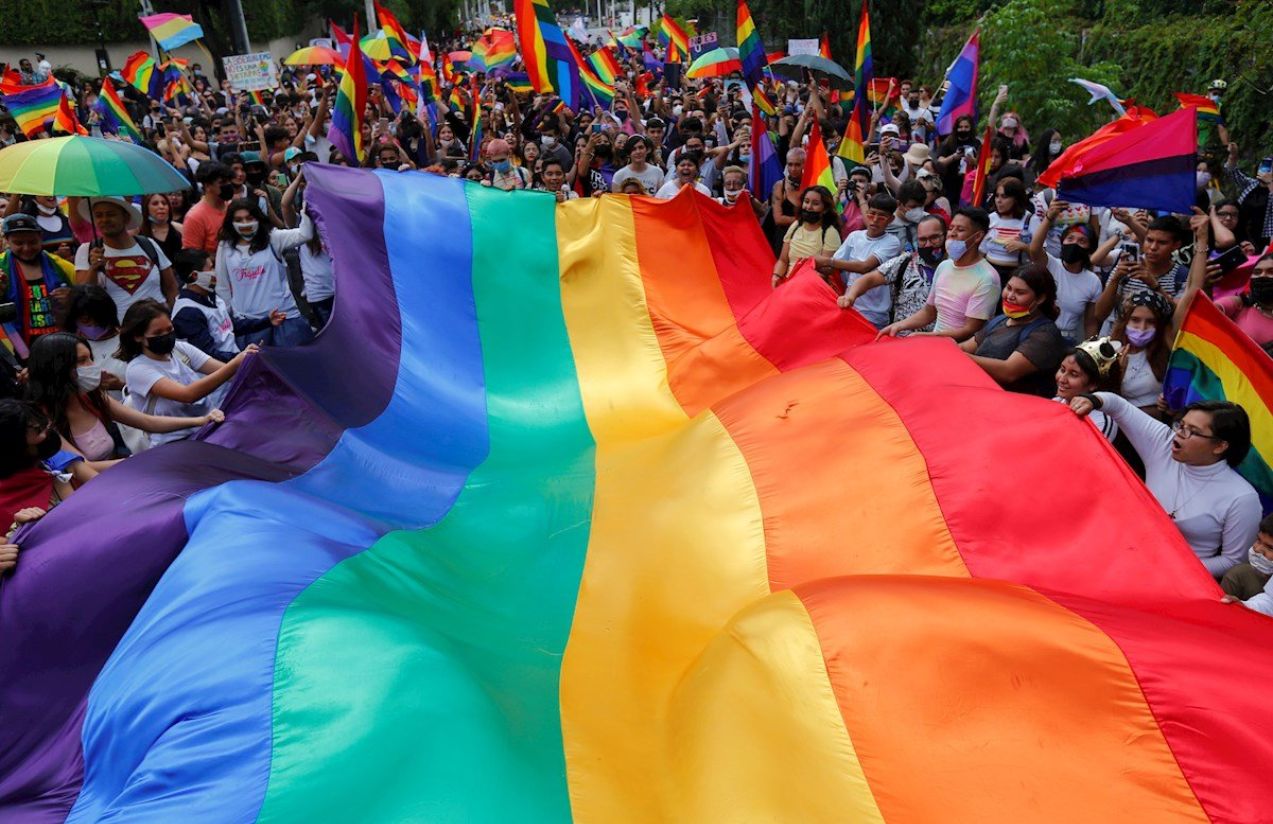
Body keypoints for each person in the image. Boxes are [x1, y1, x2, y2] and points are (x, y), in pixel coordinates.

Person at [1070, 394, 1260, 579]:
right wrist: (1091, 400)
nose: (1179, 434)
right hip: (1121, 557)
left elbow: (1233, 561)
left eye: (1192, 431)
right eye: (1181, 425)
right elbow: (1118, 406)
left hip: (1176, 582)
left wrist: (1173, 570)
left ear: (1220, 446)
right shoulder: (1164, 445)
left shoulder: (1242, 498)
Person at [25, 332, 223, 461]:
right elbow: (83, 469)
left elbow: (147, 422)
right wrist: (138, 462)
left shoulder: (91, 397)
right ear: (58, 368)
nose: (92, 366)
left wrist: (200, 421)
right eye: (83, 361)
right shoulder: (41, 420)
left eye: (90, 358)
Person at [117, 299, 253, 447]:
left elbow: (227, 373)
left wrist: (250, 362)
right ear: (138, 337)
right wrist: (235, 363)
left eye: (169, 329)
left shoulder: (180, 350)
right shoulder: (138, 369)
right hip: (175, 443)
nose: (166, 335)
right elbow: (188, 395)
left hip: (210, 429)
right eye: (158, 333)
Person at [879, 207, 999, 341]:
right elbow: (929, 312)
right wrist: (898, 326)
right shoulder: (944, 266)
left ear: (977, 236)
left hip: (958, 350)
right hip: (934, 346)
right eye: (951, 228)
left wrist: (927, 337)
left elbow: (971, 330)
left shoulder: (988, 278)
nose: (952, 234)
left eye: (960, 230)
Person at [214, 199, 315, 347]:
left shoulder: (273, 238)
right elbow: (222, 286)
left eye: (249, 218)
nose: (245, 224)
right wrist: (230, 319)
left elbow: (305, 235)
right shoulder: (225, 246)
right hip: (249, 324)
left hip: (284, 319)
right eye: (239, 220)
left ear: (258, 218)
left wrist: (307, 205)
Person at [960, 263, 1066, 396]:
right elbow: (965, 347)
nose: (1010, 296)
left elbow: (1008, 372)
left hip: (1012, 403)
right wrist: (944, 345)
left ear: (1040, 298)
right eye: (1008, 288)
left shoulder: (1045, 334)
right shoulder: (1000, 320)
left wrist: (963, 358)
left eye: (1020, 292)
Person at [73, 197, 179, 318]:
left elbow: (171, 286)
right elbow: (83, 297)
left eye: (111, 214)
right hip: (115, 327)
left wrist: (174, 318)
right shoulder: (87, 250)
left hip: (158, 324)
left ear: (126, 217)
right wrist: (93, 268)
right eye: (98, 215)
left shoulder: (149, 245)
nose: (104, 220)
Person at [171, 249, 284, 362]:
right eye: (210, 268)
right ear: (195, 275)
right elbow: (207, 356)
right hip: (220, 369)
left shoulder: (210, 295)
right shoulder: (187, 314)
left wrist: (267, 321)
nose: (215, 272)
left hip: (233, 363)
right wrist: (243, 357)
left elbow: (229, 326)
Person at [0, 399, 97, 530]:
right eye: (37, 429)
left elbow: (104, 486)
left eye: (42, 423)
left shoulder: (55, 462)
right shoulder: (5, 499)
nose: (47, 430)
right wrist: (19, 528)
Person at [1026, 198, 1110, 344]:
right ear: (1062, 242)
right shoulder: (1050, 264)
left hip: (1067, 340)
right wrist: (1049, 217)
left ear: (1089, 249)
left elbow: (1090, 323)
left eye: (1082, 241)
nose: (1074, 244)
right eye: (1070, 238)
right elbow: (1034, 250)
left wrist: (1088, 350)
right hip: (1037, 334)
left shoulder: (1093, 281)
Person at [818, 193, 904, 326]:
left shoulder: (892, 242)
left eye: (881, 217)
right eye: (871, 214)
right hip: (849, 306)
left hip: (874, 315)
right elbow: (832, 268)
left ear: (891, 219)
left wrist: (826, 261)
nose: (875, 220)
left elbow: (865, 267)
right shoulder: (854, 236)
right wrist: (812, 265)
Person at [1093, 215, 1189, 324]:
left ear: (1176, 245)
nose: (1153, 247)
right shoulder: (1127, 267)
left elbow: (1179, 319)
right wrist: (1115, 279)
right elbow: (1099, 314)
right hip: (1118, 334)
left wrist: (1154, 285)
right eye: (1149, 240)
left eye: (1162, 243)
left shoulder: (1181, 277)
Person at [0, 214, 74, 354]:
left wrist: (72, 297)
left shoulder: (60, 266)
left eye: (32, 242)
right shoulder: (1, 268)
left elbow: (85, 298)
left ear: (41, 237)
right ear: (7, 241)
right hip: (19, 347)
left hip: (61, 343)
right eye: (19, 243)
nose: (26, 248)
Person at [1053, 337, 1121, 442]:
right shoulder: (1056, 402)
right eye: (1062, 370)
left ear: (1093, 384)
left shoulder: (1101, 421)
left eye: (1074, 374)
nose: (1062, 379)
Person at [772, 186, 840, 287]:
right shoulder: (796, 225)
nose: (808, 207)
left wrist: (799, 285)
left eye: (815, 204)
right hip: (787, 284)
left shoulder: (830, 233)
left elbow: (824, 271)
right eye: (806, 201)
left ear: (825, 209)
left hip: (811, 286)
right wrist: (776, 276)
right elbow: (783, 260)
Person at [982, 177, 1036, 283]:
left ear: (1016, 199)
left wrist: (1024, 247)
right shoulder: (991, 218)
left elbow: (1041, 253)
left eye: (1004, 197)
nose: (999, 201)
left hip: (1016, 275)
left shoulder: (1030, 219)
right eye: (997, 196)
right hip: (989, 273)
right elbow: (981, 250)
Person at [182, 162, 236, 255]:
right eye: (222, 182)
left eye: (229, 181)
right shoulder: (195, 217)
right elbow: (193, 256)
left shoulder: (233, 207)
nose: (228, 185)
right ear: (207, 186)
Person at [1220, 514, 1273, 608]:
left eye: (1270, 548)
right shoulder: (1238, 575)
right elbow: (1269, 602)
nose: (1257, 549)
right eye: (1258, 540)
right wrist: (1244, 606)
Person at [138, 193, 185, 263]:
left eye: (164, 203)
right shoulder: (139, 232)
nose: (161, 206)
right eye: (155, 204)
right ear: (146, 208)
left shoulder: (180, 229)